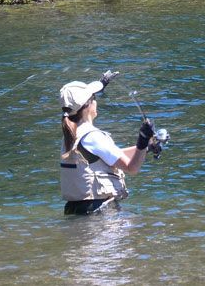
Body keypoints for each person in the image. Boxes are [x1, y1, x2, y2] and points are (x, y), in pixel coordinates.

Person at [59, 70, 155, 215]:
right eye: (94, 98)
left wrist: (147, 148)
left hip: (76, 211)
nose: (96, 101)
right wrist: (142, 139)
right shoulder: (94, 137)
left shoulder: (71, 135)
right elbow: (132, 168)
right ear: (88, 106)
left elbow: (108, 157)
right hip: (100, 214)